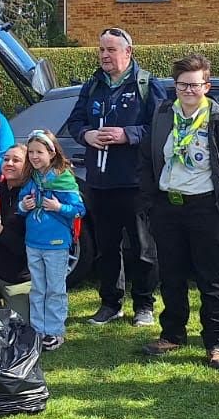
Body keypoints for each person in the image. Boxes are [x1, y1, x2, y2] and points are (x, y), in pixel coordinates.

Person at [139, 53, 219, 371]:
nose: (188, 91)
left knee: (210, 278)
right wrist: (151, 202)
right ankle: (173, 334)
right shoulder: (163, 115)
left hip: (206, 208)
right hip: (168, 207)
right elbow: (146, 160)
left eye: (194, 85)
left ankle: (216, 343)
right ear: (175, 86)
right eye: (182, 85)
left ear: (207, 86)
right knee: (171, 275)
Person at [63, 27, 160, 327]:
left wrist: (127, 134)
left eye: (111, 50)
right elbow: (75, 122)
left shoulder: (146, 84)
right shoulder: (93, 85)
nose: (104, 55)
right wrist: (87, 134)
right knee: (106, 248)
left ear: (128, 52)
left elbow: (159, 127)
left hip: (135, 183)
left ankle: (144, 305)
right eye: (101, 49)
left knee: (143, 248)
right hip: (99, 182)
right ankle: (110, 304)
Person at [18, 129, 84, 351]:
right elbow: (21, 203)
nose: (34, 156)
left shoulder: (63, 178)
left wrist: (59, 207)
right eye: (31, 152)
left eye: (39, 152)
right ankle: (38, 330)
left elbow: (78, 209)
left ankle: (55, 331)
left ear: (52, 152)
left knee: (55, 288)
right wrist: (23, 206)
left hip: (56, 244)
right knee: (38, 288)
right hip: (33, 242)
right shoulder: (32, 178)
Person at [0, 144, 33, 321]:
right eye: (6, 159)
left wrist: (0, 231)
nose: (9, 163)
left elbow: (26, 248)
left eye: (16, 160)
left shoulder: (31, 196)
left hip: (18, 279)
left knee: (20, 324)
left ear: (28, 166)